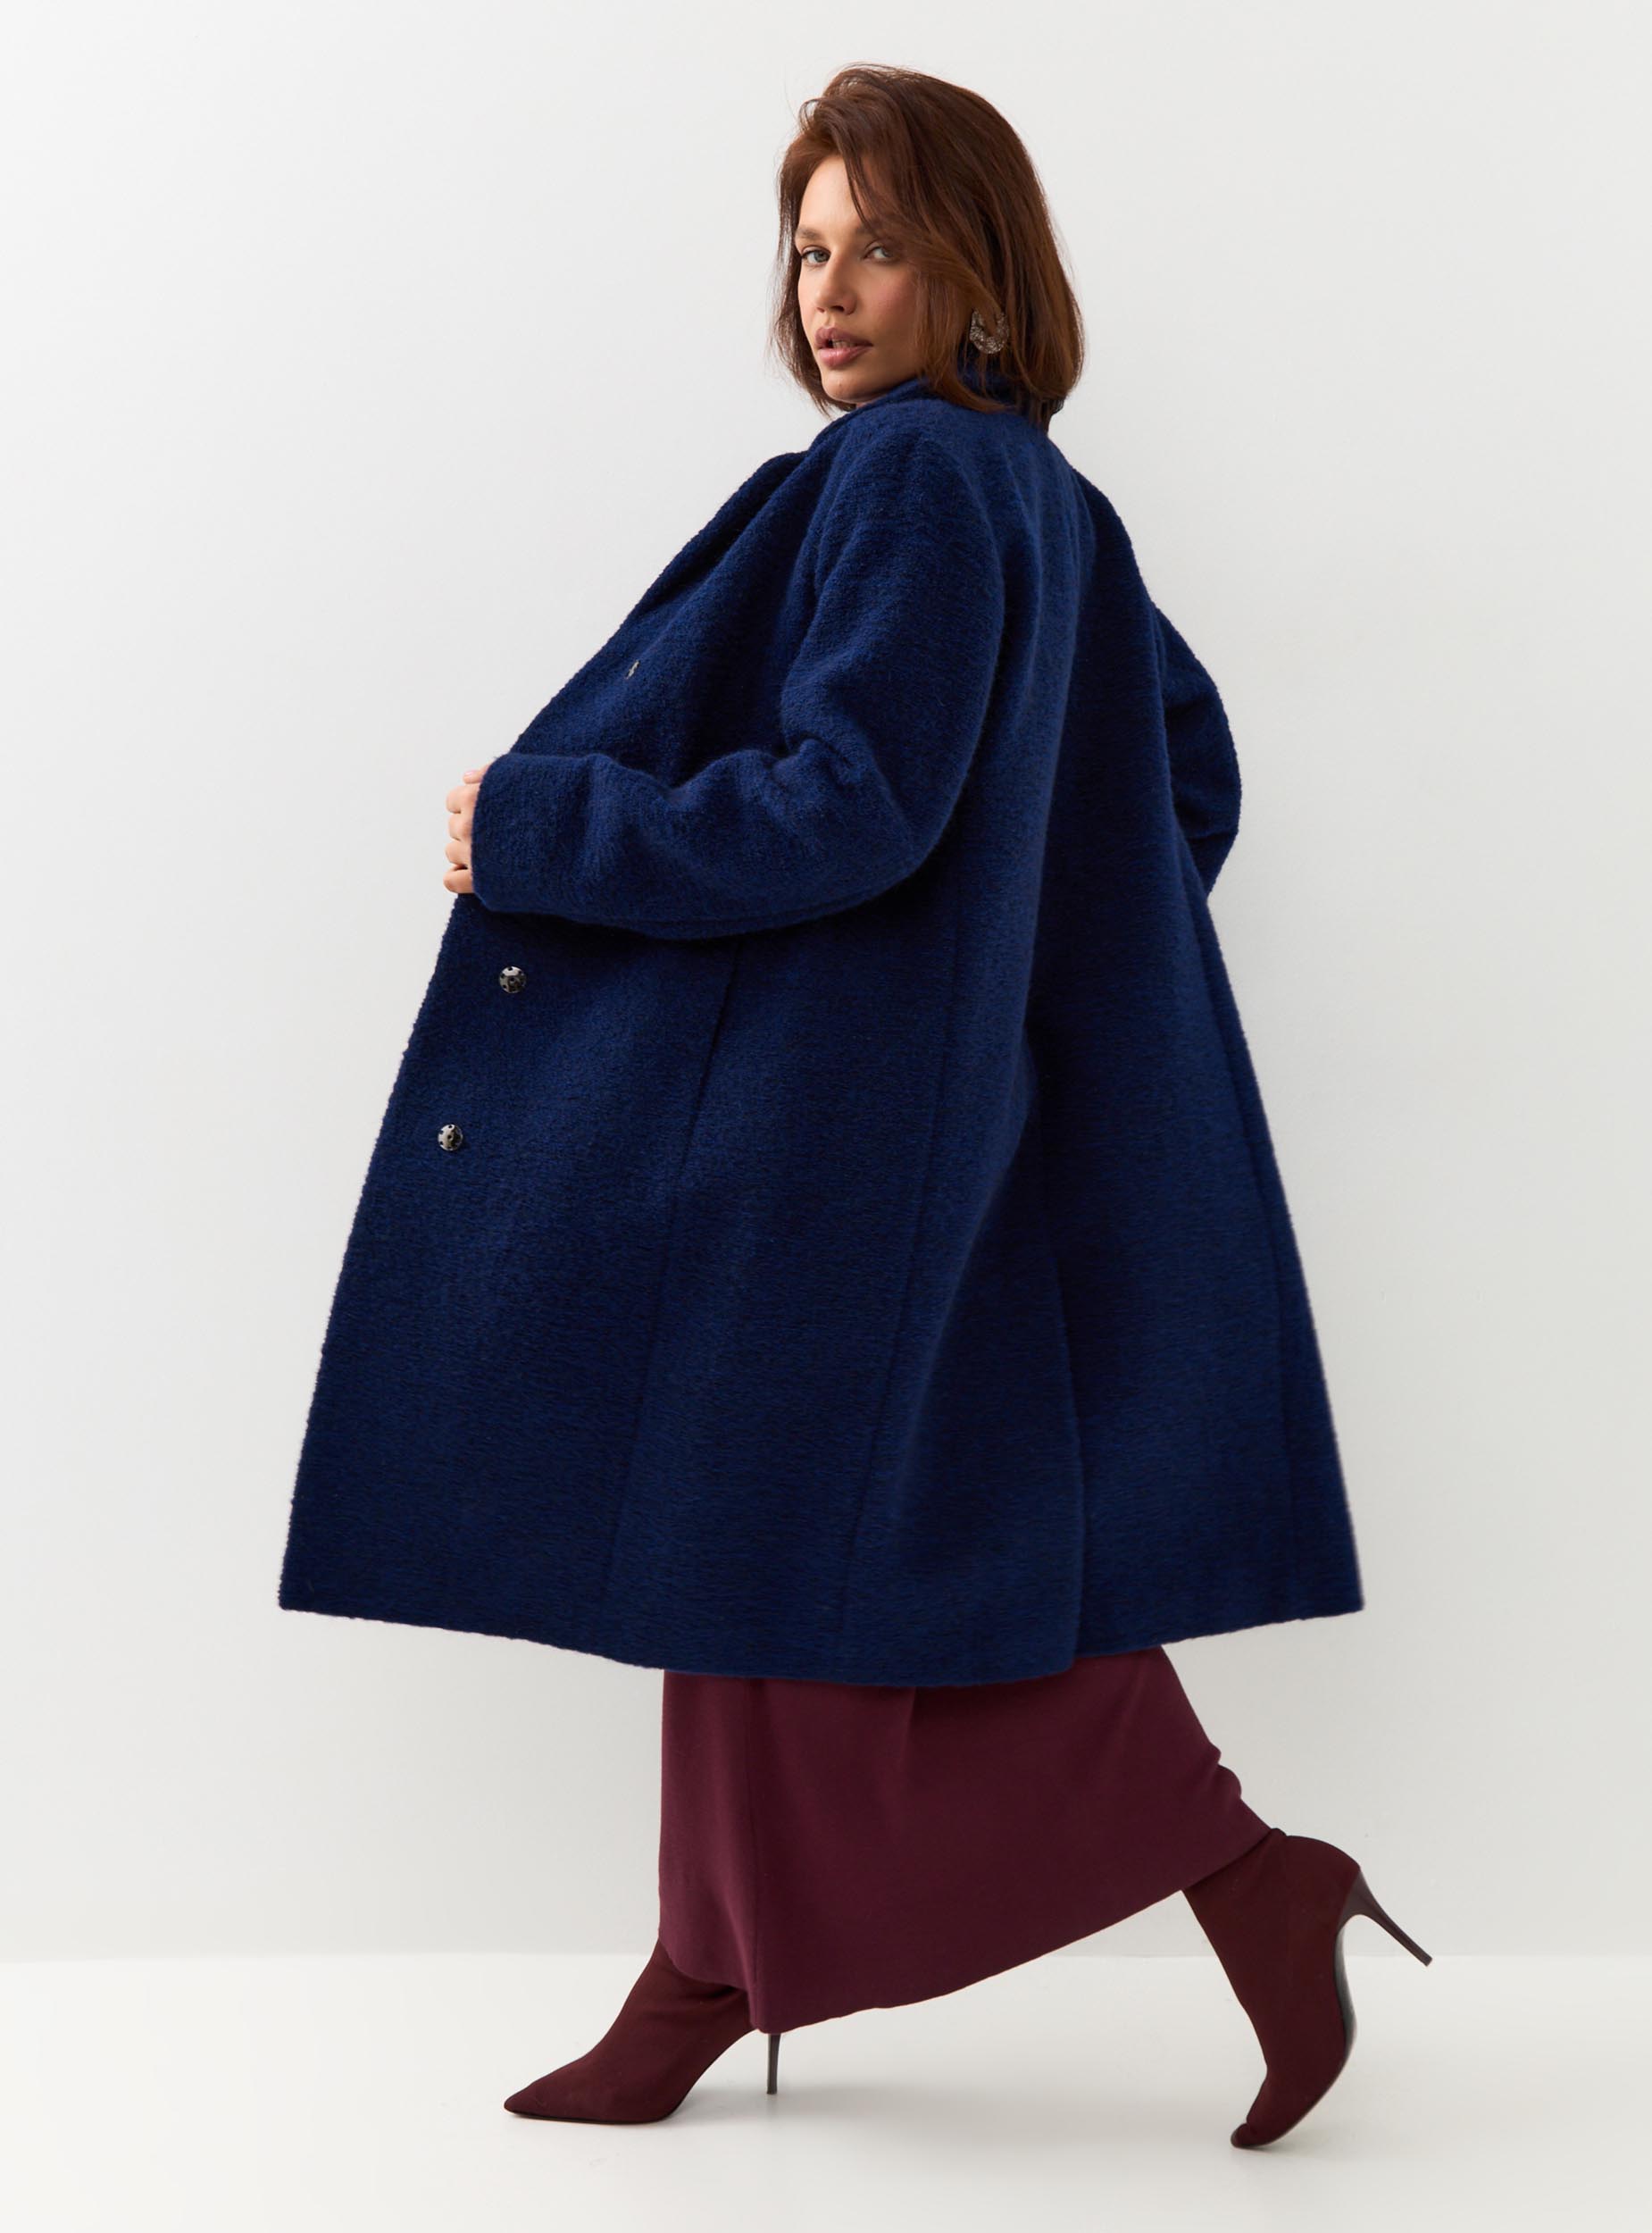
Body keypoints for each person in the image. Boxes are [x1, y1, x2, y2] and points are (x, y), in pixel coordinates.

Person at [280, 64, 1430, 2146]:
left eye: (879, 246)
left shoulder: (905, 475)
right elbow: (1178, 777)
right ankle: (736, 1958)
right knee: (760, 1554)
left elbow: (855, 802)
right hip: (883, 1135)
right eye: (807, 248)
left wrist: (541, 827)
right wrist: (1019, 970)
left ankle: (1202, 1875)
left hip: (823, 1147)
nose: (827, 291)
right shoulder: (1048, 500)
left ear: (976, 269)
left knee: (792, 1559)